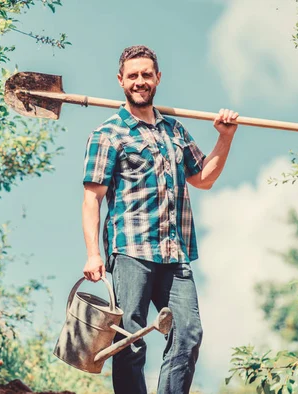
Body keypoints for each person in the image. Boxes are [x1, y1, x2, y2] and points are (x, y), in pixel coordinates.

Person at [81, 45, 238, 394]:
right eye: (133, 75)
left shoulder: (175, 132)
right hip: (131, 251)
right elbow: (92, 198)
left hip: (174, 254)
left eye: (146, 75)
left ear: (158, 79)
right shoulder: (108, 134)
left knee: (188, 334)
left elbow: (204, 179)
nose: (140, 81)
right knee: (130, 340)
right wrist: (94, 254)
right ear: (121, 80)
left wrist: (224, 137)